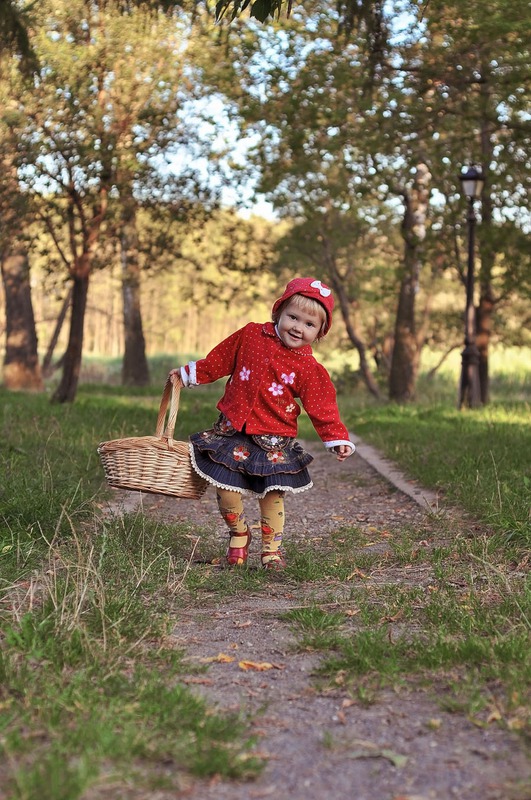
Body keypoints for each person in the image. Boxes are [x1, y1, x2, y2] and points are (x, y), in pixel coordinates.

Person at [169, 277, 355, 570]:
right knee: (226, 489)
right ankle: (239, 535)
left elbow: (322, 406)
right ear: (278, 312)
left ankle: (272, 550)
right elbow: (219, 360)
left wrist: (336, 437)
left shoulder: (308, 367)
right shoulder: (250, 336)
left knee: (272, 494)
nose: (297, 327)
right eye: (292, 317)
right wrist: (189, 373)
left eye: (309, 324)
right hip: (233, 431)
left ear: (320, 331)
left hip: (274, 440)